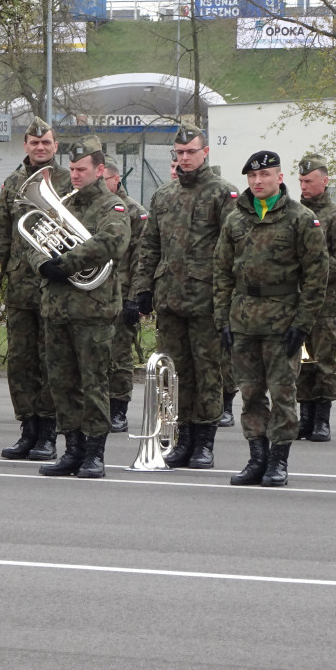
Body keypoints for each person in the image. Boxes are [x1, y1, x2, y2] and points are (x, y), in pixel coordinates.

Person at [215, 151, 329, 486]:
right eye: (252, 177)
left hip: (283, 321)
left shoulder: (300, 218)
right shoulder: (235, 220)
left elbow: (316, 275)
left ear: (279, 178)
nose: (258, 182)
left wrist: (303, 323)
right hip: (244, 319)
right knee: (250, 394)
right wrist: (223, 319)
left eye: (265, 175)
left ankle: (278, 461)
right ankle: (257, 458)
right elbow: (221, 271)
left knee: (282, 393)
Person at [134, 125, 238, 469]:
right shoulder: (164, 195)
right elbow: (149, 245)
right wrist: (143, 289)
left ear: (205, 152)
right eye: (179, 153)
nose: (184, 159)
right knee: (175, 375)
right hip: (170, 298)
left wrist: (227, 299)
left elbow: (233, 249)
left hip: (206, 299)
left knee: (208, 371)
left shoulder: (223, 194)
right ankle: (181, 438)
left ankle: (204, 442)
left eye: (191, 152)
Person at [29, 136, 128, 478]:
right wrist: (41, 263)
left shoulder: (112, 205)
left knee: (93, 382)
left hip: (93, 309)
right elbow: (34, 236)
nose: (74, 174)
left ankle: (94, 453)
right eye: (71, 168)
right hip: (56, 307)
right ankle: (71, 449)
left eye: (81, 169)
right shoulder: (63, 203)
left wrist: (67, 262)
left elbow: (112, 241)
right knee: (61, 382)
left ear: (99, 170)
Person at [0, 117, 70, 461]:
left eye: (46, 143)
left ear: (55, 145)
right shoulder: (12, 183)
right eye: (34, 143)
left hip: (54, 286)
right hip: (20, 286)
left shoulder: (66, 180)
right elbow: (0, 234)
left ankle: (48, 431)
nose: (40, 148)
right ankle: (28, 428)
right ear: (25, 145)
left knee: (50, 359)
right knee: (20, 361)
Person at [295, 153, 336, 442]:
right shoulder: (292, 213)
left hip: (326, 302)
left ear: (324, 181)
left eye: (309, 181)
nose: (303, 186)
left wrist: (315, 269)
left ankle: (322, 419)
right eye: (301, 181)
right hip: (298, 300)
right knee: (302, 360)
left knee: (324, 360)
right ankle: (305, 417)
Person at [104, 160, 148, 433]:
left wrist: (135, 298)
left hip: (121, 294)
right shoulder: (94, 208)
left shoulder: (134, 212)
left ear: (116, 179)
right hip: (92, 293)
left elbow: (141, 259)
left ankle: (118, 408)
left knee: (119, 355)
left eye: (103, 179)